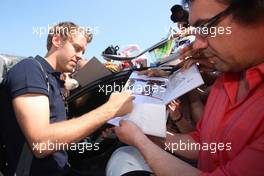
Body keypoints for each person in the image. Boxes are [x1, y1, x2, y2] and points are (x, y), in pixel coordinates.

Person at [115, 0, 264, 175]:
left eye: (206, 27)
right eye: (196, 32)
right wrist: (151, 136)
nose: (198, 45)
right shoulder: (224, 81)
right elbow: (202, 144)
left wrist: (140, 142)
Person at [0, 22, 134, 175]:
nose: (80, 56)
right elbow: (41, 144)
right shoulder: (30, 70)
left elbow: (62, 132)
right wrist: (111, 109)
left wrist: (100, 132)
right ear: (56, 41)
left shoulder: (53, 80)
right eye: (77, 48)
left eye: (83, 51)